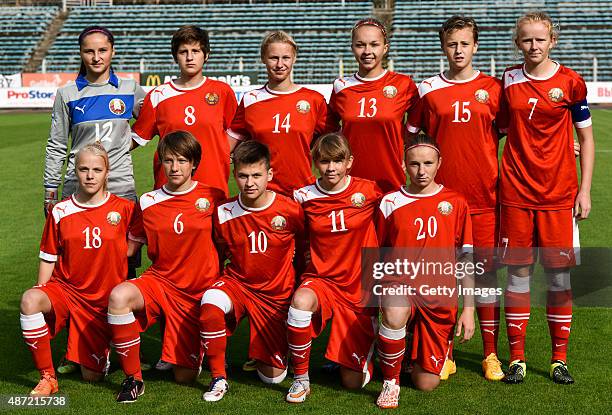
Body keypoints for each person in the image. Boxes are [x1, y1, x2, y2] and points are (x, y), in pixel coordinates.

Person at [497, 11, 594, 385]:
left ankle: (558, 359)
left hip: (559, 196)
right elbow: (500, 129)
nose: (533, 46)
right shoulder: (507, 79)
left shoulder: (570, 82)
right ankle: (517, 359)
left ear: (552, 41)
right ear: (517, 43)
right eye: (526, 40)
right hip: (517, 193)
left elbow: (585, 138)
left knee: (558, 278)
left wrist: (584, 190)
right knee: (519, 275)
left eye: (540, 39)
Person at [406, 16, 505, 381]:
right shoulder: (429, 89)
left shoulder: (493, 88)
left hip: (484, 198)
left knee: (485, 276)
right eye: (452, 44)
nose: (458, 50)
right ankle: (442, 350)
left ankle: (490, 354)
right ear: (443, 47)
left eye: (465, 43)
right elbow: (413, 139)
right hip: (440, 202)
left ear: (475, 46)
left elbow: (518, 134)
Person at [43, 26, 147, 374]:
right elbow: (58, 144)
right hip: (79, 191)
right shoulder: (68, 93)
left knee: (124, 269)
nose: (96, 57)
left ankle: (124, 346)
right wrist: (50, 188)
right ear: (81, 54)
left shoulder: (131, 89)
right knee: (76, 273)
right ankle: (78, 348)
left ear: (112, 51)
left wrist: (130, 146)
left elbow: (154, 119)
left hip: (121, 193)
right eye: (89, 51)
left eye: (102, 50)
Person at [107, 131, 225, 403]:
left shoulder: (213, 196)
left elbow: (226, 243)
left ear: (194, 163)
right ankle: (133, 379)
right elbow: (129, 248)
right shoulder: (148, 201)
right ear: (160, 162)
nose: (174, 167)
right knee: (119, 297)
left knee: (185, 377)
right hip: (161, 283)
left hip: (198, 290)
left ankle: (196, 350)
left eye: (182, 160)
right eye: (168, 160)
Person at [21, 143, 144, 396]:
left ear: (107, 172)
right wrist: (44, 296)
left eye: (97, 169)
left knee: (93, 377)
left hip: (104, 300)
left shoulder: (126, 209)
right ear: (74, 172)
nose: (90, 175)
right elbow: (48, 257)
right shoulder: (60, 210)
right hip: (67, 292)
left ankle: (109, 345)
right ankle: (47, 377)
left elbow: (132, 251)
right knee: (30, 300)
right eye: (84, 169)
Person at [199, 141, 304, 402]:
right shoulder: (223, 212)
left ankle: (267, 353)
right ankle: (218, 378)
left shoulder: (290, 209)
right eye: (243, 176)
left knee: (273, 377)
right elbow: (219, 252)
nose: (250, 183)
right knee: (210, 303)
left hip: (275, 295)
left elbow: (305, 249)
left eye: (257, 175)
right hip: (239, 285)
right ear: (235, 175)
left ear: (270, 174)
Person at [375, 135, 475, 409]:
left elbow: (466, 259)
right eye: (414, 164)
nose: (421, 171)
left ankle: (418, 348)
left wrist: (468, 309)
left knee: (426, 383)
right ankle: (391, 382)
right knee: (395, 309)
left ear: (439, 163)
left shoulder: (456, 202)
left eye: (428, 163)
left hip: (438, 296)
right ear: (404, 164)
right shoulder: (389, 202)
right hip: (400, 286)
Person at [286, 133, 382, 403]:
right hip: (322, 280)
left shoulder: (369, 191)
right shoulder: (303, 197)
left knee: (353, 383)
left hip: (358, 286)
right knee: (301, 300)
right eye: (324, 161)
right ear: (315, 162)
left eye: (337, 161)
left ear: (349, 162)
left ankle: (368, 351)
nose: (331, 168)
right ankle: (301, 379)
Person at [131, 25, 237, 196]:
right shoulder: (158, 95)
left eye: (195, 51)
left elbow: (238, 133)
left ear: (206, 55)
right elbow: (137, 138)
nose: (189, 57)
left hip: (212, 186)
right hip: (168, 188)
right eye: (183, 52)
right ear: (175, 57)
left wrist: (222, 152)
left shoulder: (222, 92)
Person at [227, 31, 330, 197]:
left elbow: (333, 144)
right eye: (274, 58)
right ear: (263, 59)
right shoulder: (250, 100)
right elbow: (226, 145)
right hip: (261, 193)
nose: (280, 64)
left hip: (303, 191)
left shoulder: (314, 100)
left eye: (286, 58)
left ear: (294, 58)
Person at [328, 18, 419, 193]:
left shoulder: (403, 84)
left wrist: (408, 152)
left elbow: (418, 125)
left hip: (391, 181)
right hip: (349, 183)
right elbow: (330, 130)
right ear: (352, 47)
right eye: (360, 45)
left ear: (385, 48)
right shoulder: (341, 86)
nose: (367, 51)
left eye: (374, 44)